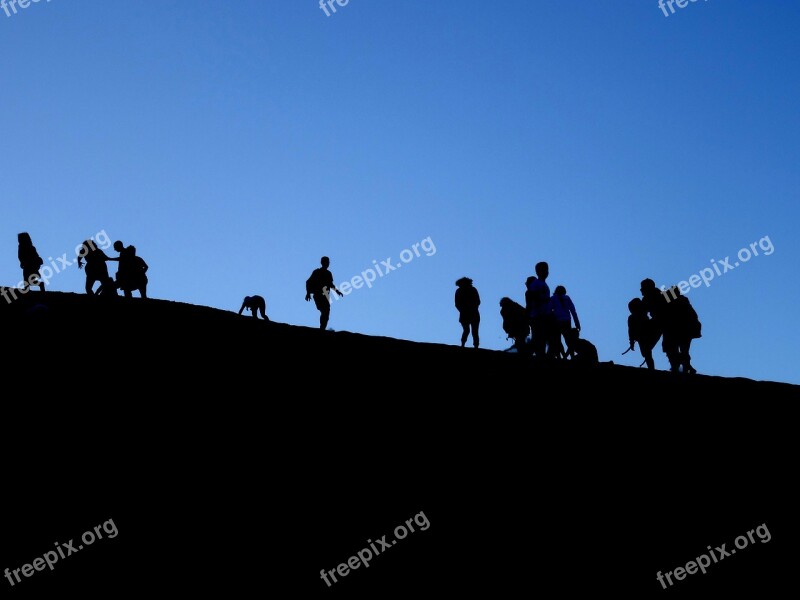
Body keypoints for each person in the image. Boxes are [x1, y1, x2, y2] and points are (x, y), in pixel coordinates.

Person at [662, 286, 700, 374]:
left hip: (681, 330)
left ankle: (682, 366)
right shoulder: (680, 302)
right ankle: (683, 366)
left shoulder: (678, 303)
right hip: (682, 330)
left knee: (677, 350)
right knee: (679, 350)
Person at [305, 256, 343, 330]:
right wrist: (308, 293)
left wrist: (337, 291)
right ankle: (322, 328)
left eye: (328, 262)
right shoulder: (317, 272)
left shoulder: (328, 273)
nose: (328, 263)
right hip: (318, 294)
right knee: (325, 310)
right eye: (327, 262)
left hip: (325, 295)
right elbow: (308, 282)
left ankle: (322, 328)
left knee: (326, 311)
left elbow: (330, 284)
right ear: (323, 263)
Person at [526, 262, 553, 357]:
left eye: (547, 270)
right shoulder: (536, 284)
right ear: (538, 272)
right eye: (544, 270)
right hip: (537, 315)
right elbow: (530, 297)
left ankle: (540, 354)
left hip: (544, 315)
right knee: (538, 336)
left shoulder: (544, 284)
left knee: (543, 337)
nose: (546, 272)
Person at [550, 285, 581, 359]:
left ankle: (560, 356)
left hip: (556, 321)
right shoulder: (567, 298)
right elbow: (573, 311)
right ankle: (571, 356)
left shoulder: (553, 298)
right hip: (566, 321)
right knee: (568, 340)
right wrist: (577, 322)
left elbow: (548, 310)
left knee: (557, 340)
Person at [627, 297, 658, 370]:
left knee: (647, 354)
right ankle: (651, 369)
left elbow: (631, 331)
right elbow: (631, 330)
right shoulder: (633, 317)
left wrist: (631, 342)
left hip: (645, 337)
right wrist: (631, 341)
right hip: (642, 338)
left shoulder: (638, 315)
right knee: (647, 354)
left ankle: (651, 369)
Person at [454, 277, 480, 348]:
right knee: (471, 330)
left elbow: (477, 301)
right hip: (469, 313)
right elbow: (457, 304)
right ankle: (468, 345)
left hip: (470, 313)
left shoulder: (461, 291)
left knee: (470, 330)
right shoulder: (461, 291)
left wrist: (464, 310)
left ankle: (468, 345)